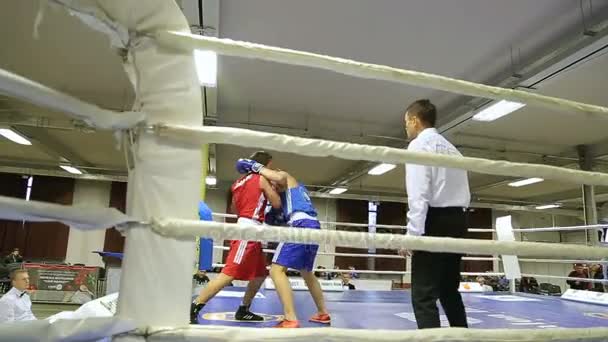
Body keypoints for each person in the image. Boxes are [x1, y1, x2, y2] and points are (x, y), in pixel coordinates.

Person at [399, 99, 470, 329]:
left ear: (414, 120)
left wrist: (412, 236)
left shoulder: (419, 145)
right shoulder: (452, 148)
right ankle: (463, 336)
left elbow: (419, 195)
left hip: (435, 220)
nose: (406, 129)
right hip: (459, 219)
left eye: (406, 123)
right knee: (448, 289)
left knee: (423, 294)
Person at [236, 157, 331, 328]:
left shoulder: (285, 177)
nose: (273, 184)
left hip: (300, 225)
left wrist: (256, 166)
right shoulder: (292, 195)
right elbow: (275, 213)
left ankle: (290, 318)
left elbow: (279, 178)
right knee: (307, 272)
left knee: (276, 270)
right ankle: (323, 313)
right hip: (313, 225)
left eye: (273, 181)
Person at [190, 151, 282, 324]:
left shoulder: (238, 182)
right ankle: (194, 307)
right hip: (248, 231)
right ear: (265, 164)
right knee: (228, 274)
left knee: (260, 274)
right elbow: (276, 203)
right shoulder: (260, 178)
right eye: (269, 165)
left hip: (247, 226)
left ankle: (244, 309)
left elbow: (234, 209)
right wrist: (274, 190)